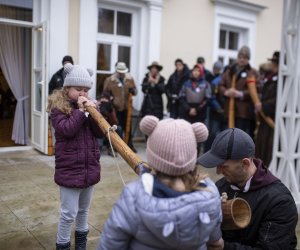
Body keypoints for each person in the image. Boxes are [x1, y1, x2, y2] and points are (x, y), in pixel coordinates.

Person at [98, 115, 224, 250]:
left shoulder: (134, 196)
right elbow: (216, 241)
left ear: (152, 154)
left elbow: (110, 244)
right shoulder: (210, 191)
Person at [197, 128, 298, 249]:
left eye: (223, 166)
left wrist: (223, 246)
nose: (218, 172)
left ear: (245, 163)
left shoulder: (280, 202)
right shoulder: (220, 186)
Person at [47, 63, 103, 250]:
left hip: (89, 169)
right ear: (67, 88)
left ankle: (81, 245)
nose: (83, 94)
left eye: (86, 90)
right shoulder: (58, 109)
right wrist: (80, 112)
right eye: (78, 89)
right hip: (70, 170)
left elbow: (99, 133)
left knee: (83, 210)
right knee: (68, 213)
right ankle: (62, 245)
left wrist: (95, 113)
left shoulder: (89, 106)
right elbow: (66, 130)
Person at [219, 46, 260, 139]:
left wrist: (240, 94)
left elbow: (256, 90)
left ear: (248, 59)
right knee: (227, 136)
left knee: (240, 137)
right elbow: (221, 84)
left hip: (243, 111)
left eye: (244, 58)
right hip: (228, 109)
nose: (242, 60)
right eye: (240, 57)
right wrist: (226, 92)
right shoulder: (229, 70)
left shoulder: (252, 72)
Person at [103, 62, 137, 152]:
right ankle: (116, 146)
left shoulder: (130, 79)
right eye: (120, 71)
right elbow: (104, 93)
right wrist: (109, 97)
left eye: (123, 71)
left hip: (127, 108)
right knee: (117, 127)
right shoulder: (110, 80)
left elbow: (135, 92)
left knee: (128, 127)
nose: (121, 73)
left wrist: (133, 90)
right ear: (117, 71)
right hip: (115, 108)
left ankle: (129, 145)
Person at [255, 51, 280, 167]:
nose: (273, 65)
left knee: (271, 149)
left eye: (276, 63)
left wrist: (264, 106)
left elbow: (280, 100)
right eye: (273, 63)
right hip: (265, 120)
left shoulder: (283, 80)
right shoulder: (270, 78)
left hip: (275, 121)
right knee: (261, 149)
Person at [205, 61, 226, 152]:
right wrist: (218, 108)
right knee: (212, 132)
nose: (216, 70)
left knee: (222, 133)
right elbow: (212, 97)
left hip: (225, 112)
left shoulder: (227, 81)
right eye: (215, 68)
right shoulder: (215, 81)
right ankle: (208, 151)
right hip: (215, 111)